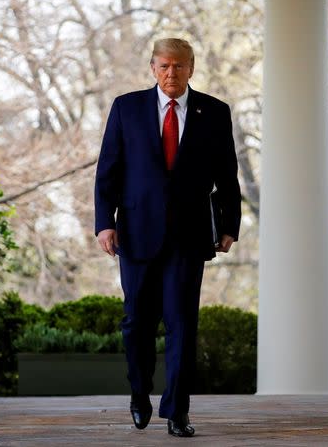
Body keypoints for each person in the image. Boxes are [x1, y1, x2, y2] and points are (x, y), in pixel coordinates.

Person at [94, 38, 241, 437]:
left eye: (178, 66)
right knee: (136, 323)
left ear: (191, 67)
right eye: (163, 66)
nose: (170, 73)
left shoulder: (213, 112)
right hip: (136, 233)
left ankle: (177, 411)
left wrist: (230, 226)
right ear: (152, 68)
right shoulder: (127, 108)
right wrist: (104, 223)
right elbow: (108, 169)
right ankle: (140, 394)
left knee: (181, 324)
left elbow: (227, 174)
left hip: (189, 235)